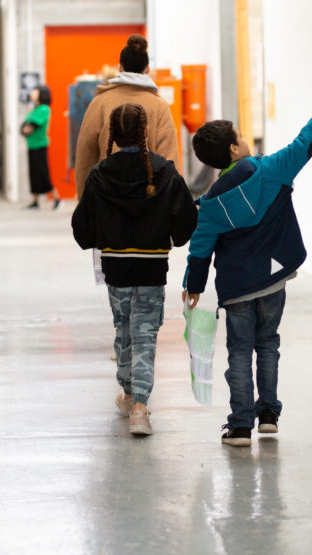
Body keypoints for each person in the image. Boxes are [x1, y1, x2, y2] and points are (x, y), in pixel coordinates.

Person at [182, 82, 312, 447]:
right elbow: (304, 144)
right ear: (232, 148)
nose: (244, 139)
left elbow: (200, 250)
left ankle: (240, 426)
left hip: (237, 289)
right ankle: (269, 415)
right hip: (273, 281)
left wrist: (193, 286)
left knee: (239, 352)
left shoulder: (210, 205)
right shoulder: (271, 170)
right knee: (268, 344)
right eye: (239, 135)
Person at [72, 103, 198, 436]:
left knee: (124, 330)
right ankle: (140, 407)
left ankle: (128, 394)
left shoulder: (100, 174)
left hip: (115, 267)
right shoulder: (165, 171)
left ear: (111, 134)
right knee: (145, 335)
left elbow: (82, 228)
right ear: (145, 133)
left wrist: (101, 238)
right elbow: (186, 222)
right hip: (152, 268)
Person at [73, 35, 180, 198]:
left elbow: (84, 159)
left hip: (107, 203)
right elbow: (170, 162)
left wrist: (85, 204)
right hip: (149, 205)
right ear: (148, 69)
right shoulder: (160, 106)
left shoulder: (99, 103)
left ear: (120, 68)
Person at [22, 85, 61, 210]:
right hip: (31, 145)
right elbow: (23, 127)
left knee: (42, 172)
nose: (32, 93)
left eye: (35, 91)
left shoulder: (44, 109)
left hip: (40, 145)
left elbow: (31, 126)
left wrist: (27, 128)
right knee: (33, 173)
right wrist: (26, 128)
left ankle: (57, 198)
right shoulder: (33, 109)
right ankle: (35, 200)